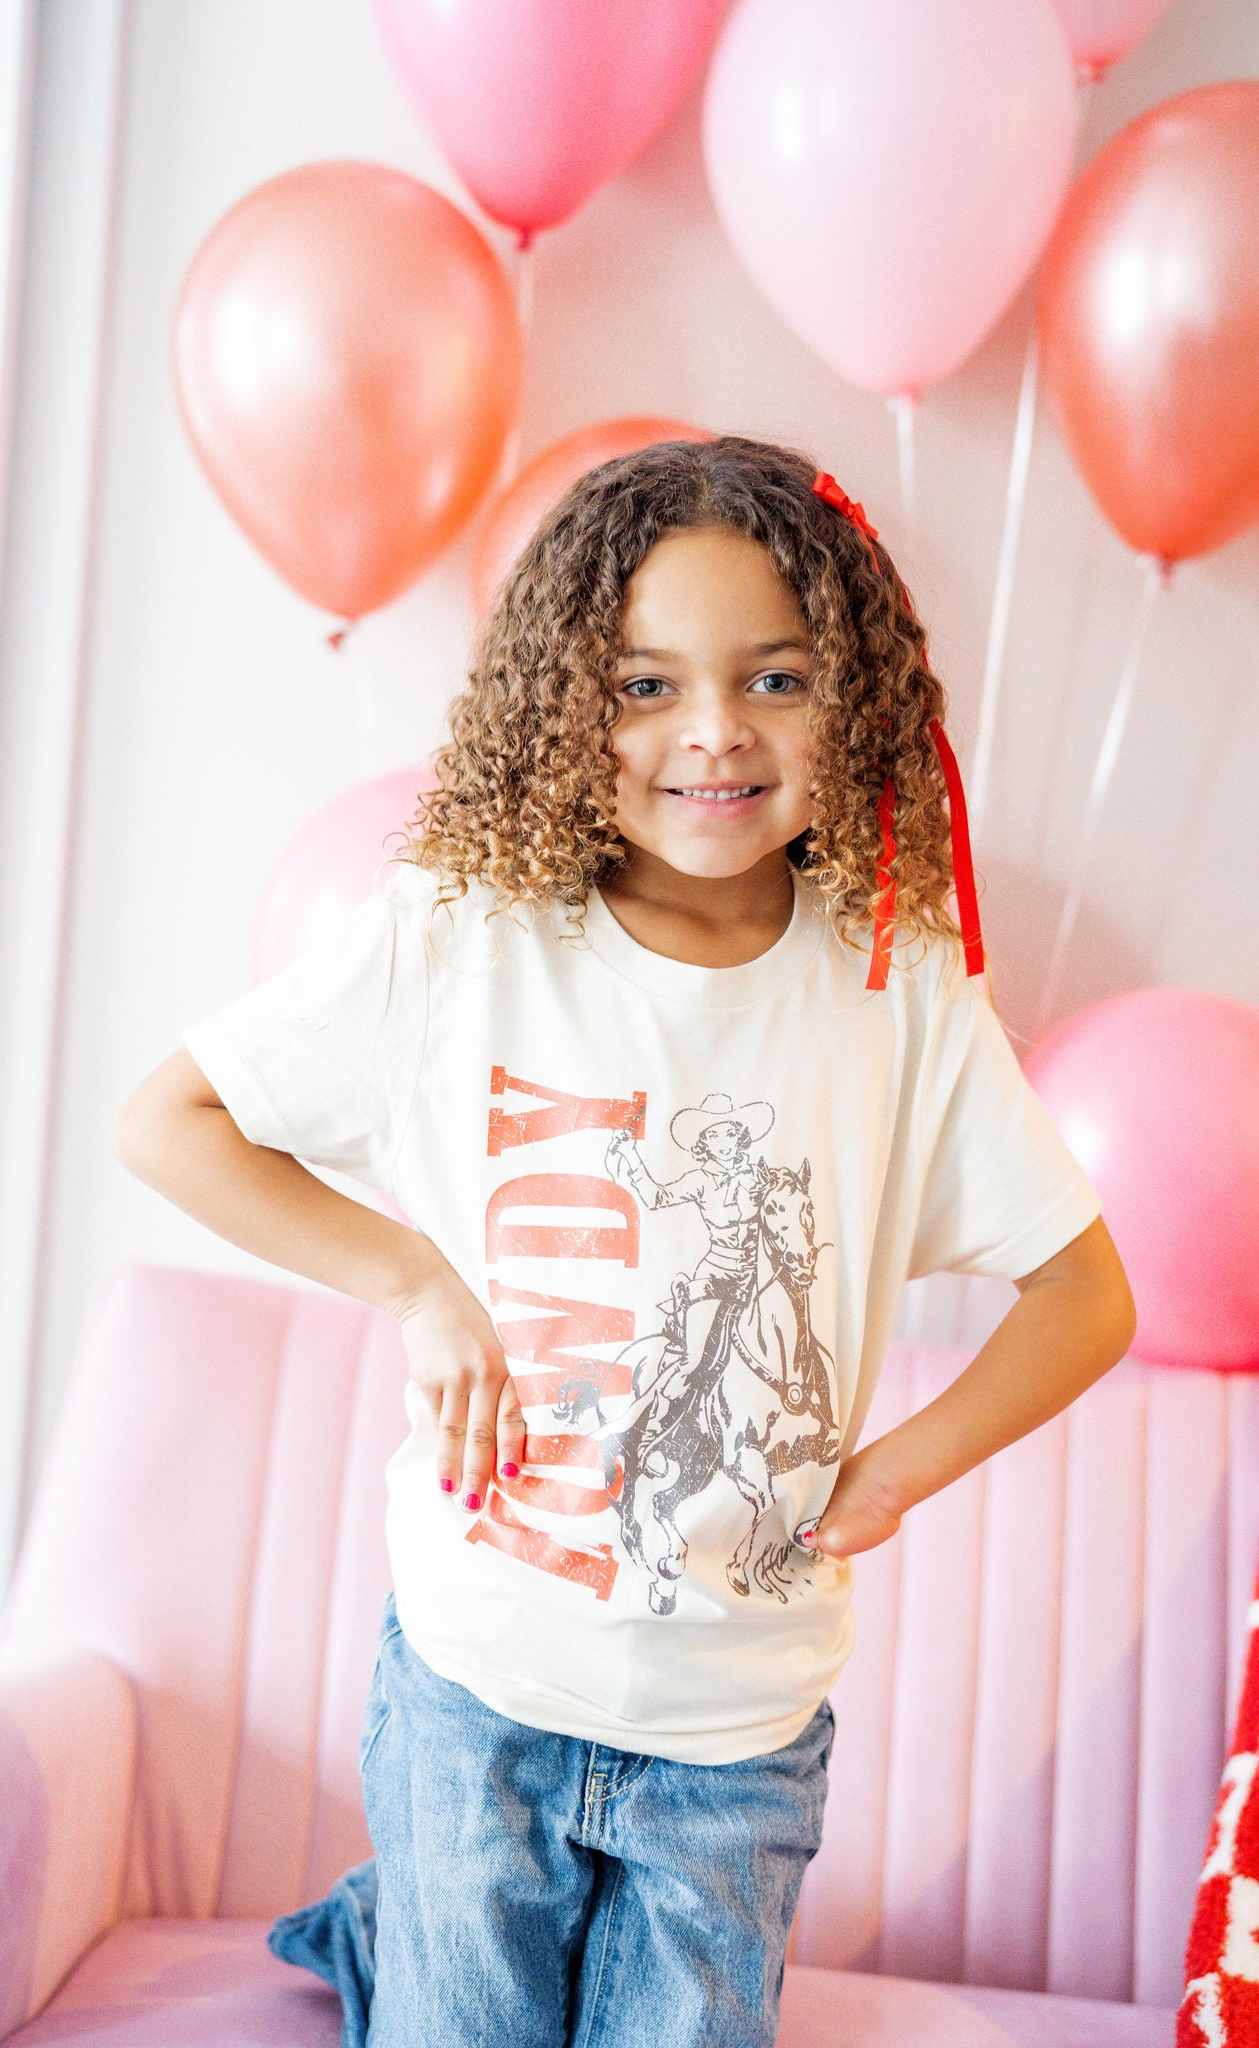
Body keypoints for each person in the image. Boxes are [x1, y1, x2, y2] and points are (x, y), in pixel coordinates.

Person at [113, 435, 1136, 2048]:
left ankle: (387, 1931)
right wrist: (414, 1280)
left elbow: (1082, 1296)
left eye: (775, 678)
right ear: (561, 703)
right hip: (480, 1686)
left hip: (736, 1732)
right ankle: (395, 1934)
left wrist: (895, 1472)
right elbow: (168, 1121)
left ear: (856, 699)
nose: (713, 730)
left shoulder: (898, 986)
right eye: (646, 684)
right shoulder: (466, 939)